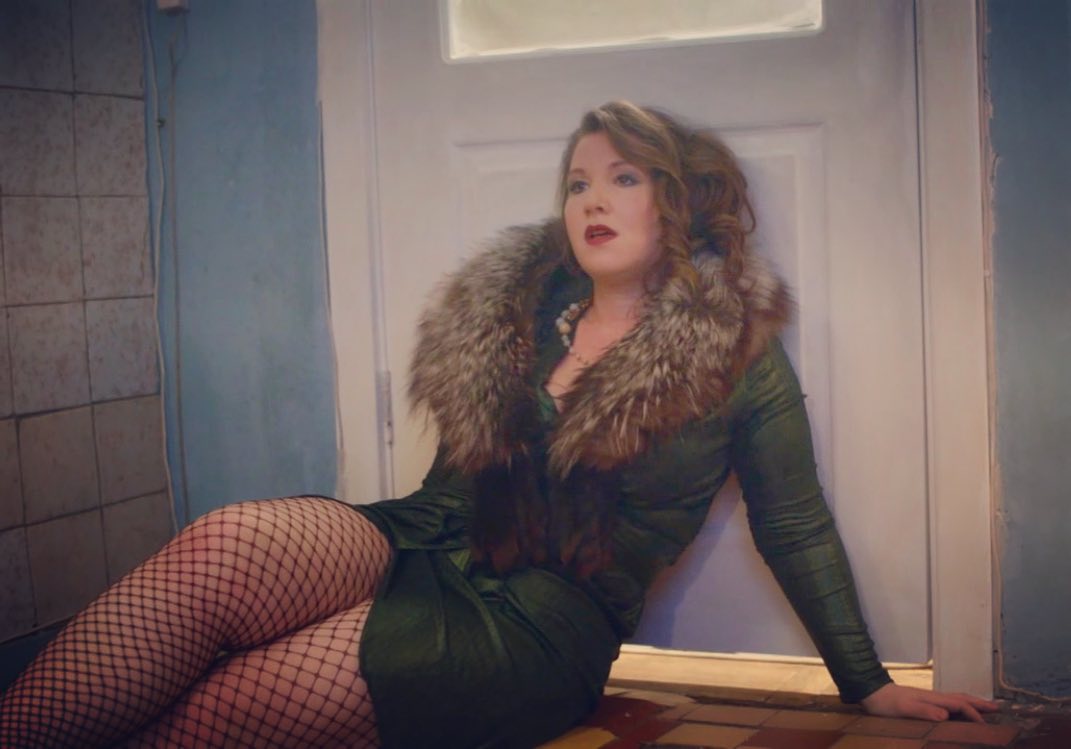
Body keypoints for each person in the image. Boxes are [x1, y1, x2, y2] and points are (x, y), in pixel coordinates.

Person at [0, 101, 997, 748]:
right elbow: (458, 486)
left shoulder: (736, 354)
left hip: (539, 614)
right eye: (577, 182)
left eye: (624, 177)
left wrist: (867, 684)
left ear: (680, 200)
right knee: (226, 542)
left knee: (239, 701)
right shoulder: (520, 308)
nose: (591, 199)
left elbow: (795, 521)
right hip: (430, 536)